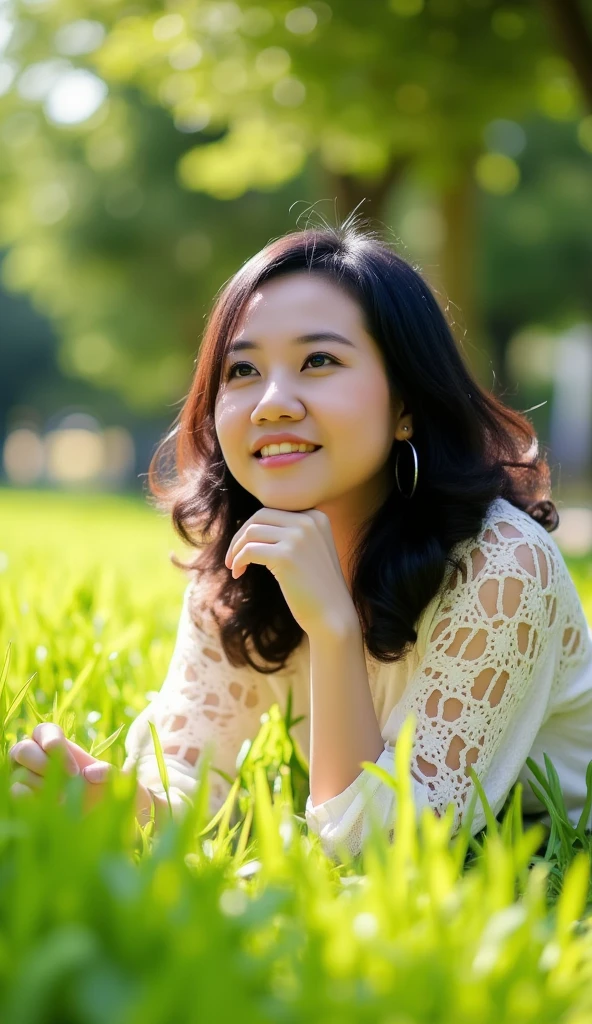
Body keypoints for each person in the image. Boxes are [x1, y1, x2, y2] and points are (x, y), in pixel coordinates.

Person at [9, 220, 592, 861]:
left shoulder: (501, 565)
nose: (272, 402)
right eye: (242, 370)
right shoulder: (247, 558)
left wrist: (333, 628)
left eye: (320, 361)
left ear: (407, 404)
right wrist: (117, 806)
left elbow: (382, 854)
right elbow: (193, 791)